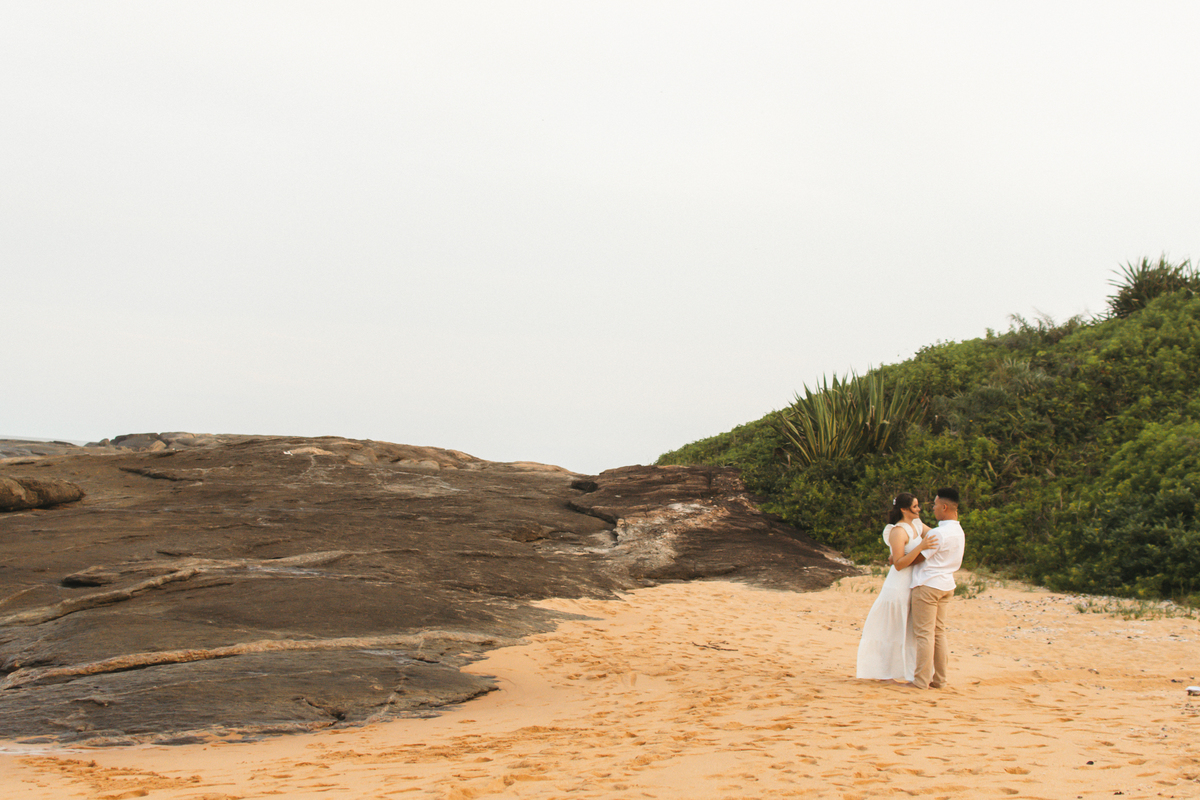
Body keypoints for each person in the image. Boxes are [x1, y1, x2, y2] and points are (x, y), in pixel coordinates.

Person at [855, 493, 938, 683]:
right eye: (915, 507)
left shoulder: (917, 525)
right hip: (898, 584)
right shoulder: (898, 531)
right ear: (903, 509)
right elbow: (899, 564)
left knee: (908, 629)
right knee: (891, 628)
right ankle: (882, 671)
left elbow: (934, 534)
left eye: (918, 506)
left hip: (913, 582)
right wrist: (921, 547)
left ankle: (909, 671)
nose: (919, 510)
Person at [908, 487, 966, 690]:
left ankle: (921, 680)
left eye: (934, 504)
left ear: (944, 507)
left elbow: (917, 559)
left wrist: (900, 558)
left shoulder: (940, 534)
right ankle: (939, 679)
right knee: (939, 633)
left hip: (929, 585)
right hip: (946, 584)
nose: (932, 508)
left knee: (924, 634)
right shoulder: (958, 531)